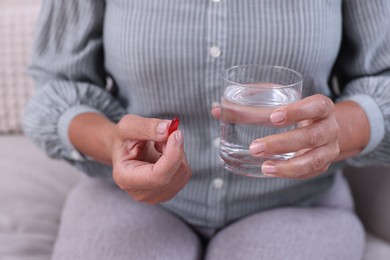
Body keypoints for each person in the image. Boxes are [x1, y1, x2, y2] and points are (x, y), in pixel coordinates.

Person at [22, 1, 390, 259]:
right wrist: (111, 143)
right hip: (127, 199)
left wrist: (337, 130)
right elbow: (57, 87)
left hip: (299, 202)